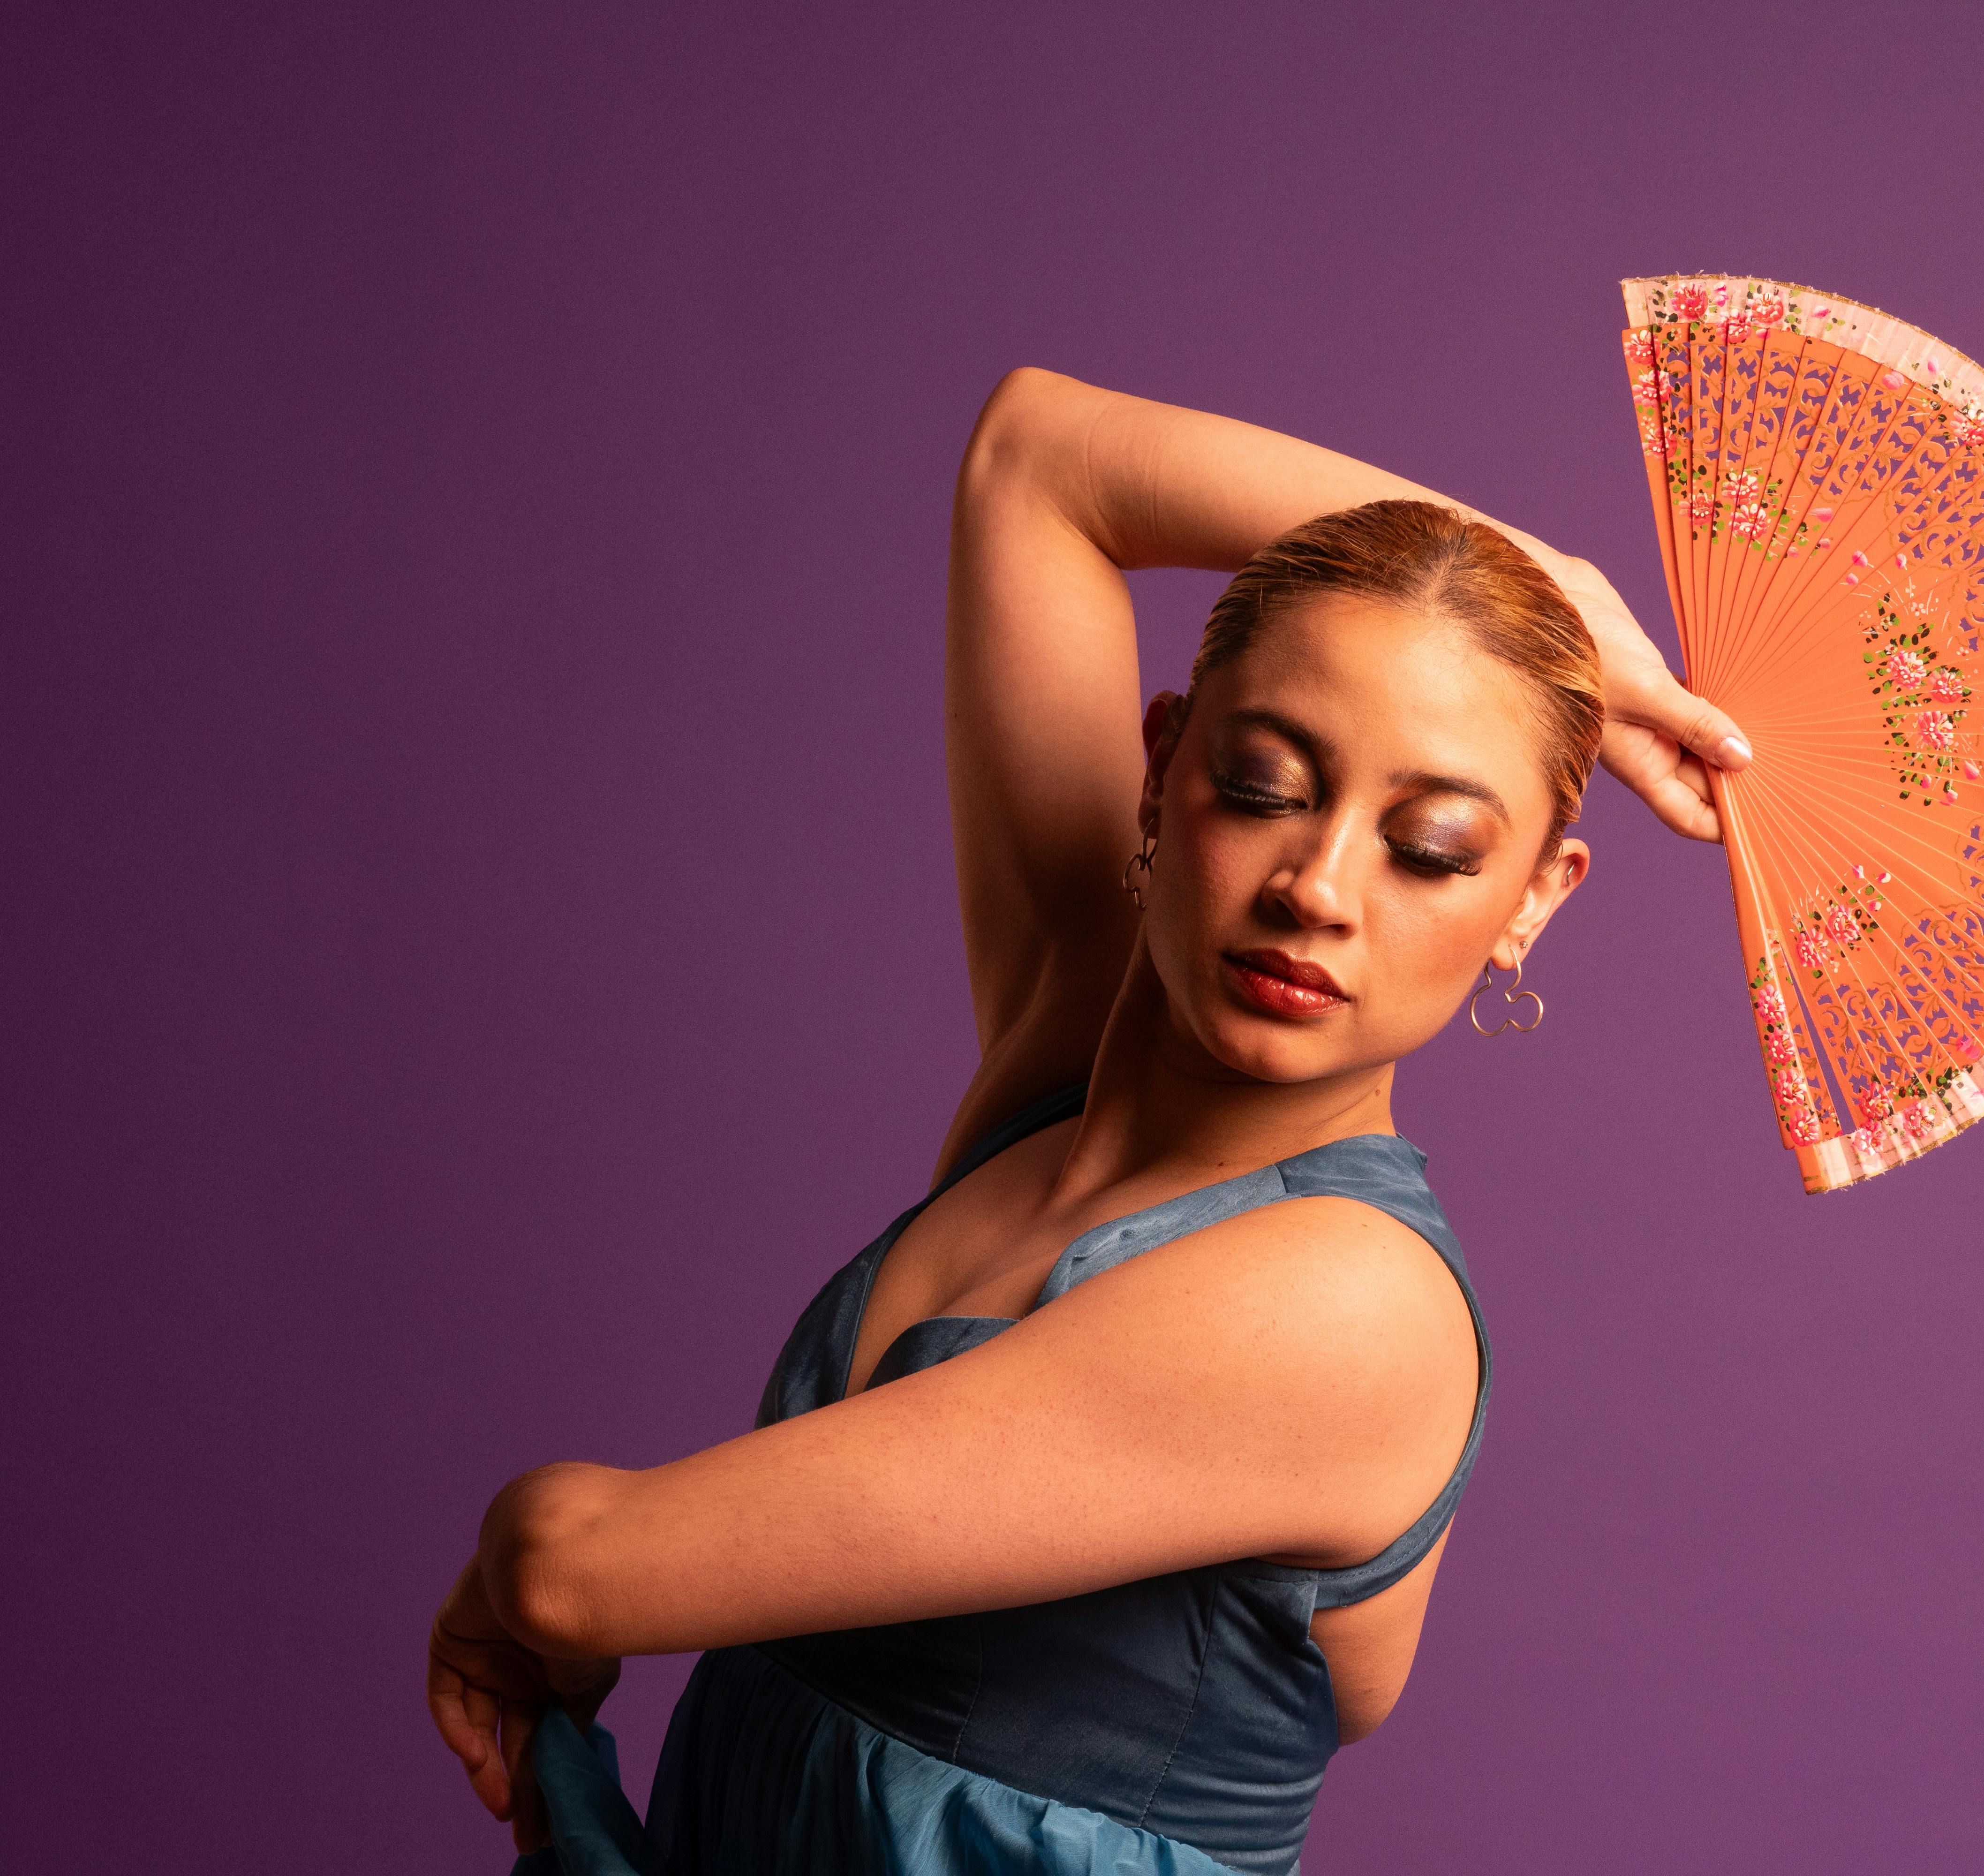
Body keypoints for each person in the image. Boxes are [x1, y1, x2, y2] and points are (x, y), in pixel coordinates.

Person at [425, 367, 1752, 1875]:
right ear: (1160, 764)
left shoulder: (1347, 1306)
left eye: (1431, 849)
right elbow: (1039, 458)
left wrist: (520, 1575)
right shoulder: (1066, 1049)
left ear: (1533, 901)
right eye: (1262, 783)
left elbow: (572, 1573)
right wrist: (1553, 590)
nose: (1318, 886)